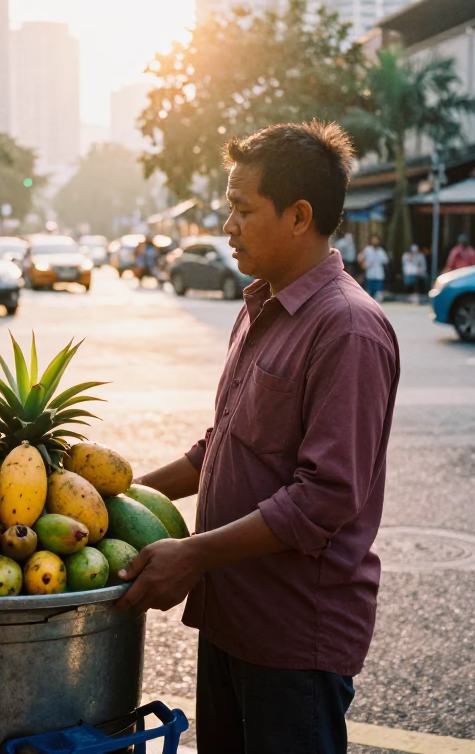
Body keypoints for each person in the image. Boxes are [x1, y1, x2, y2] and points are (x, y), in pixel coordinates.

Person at [117, 121, 400, 754]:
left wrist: (193, 555)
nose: (228, 226)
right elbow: (221, 445)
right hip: (230, 617)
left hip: (293, 636)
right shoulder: (259, 309)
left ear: (299, 216)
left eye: (243, 210)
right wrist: (119, 496)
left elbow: (324, 498)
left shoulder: (347, 329)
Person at [358, 235, 389, 300]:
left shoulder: (381, 251)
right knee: (369, 295)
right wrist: (362, 264)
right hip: (370, 275)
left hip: (379, 275)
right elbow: (360, 257)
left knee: (378, 295)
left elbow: (386, 261)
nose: (375, 241)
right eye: (373, 239)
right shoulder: (367, 249)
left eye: (376, 240)